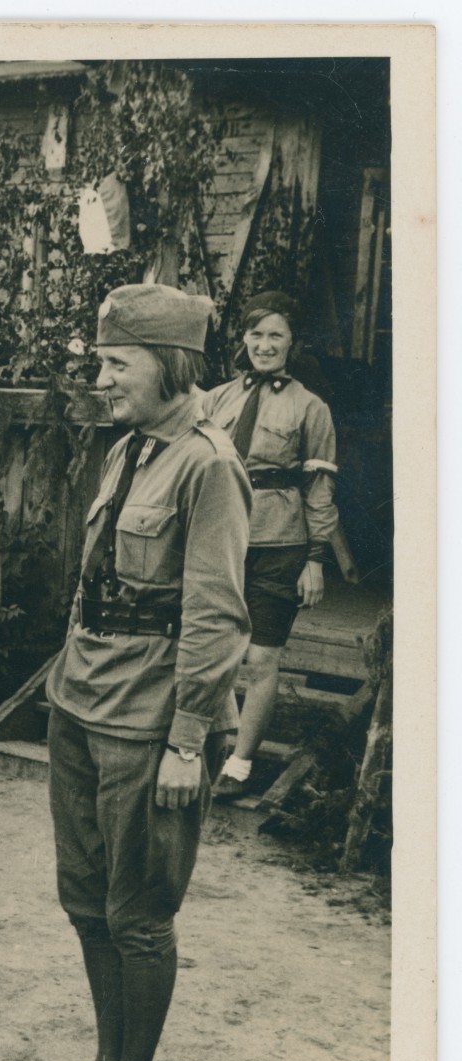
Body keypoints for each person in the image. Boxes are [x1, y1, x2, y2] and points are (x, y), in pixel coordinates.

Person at [23, 283, 252, 1061]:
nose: (103, 378)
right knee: (86, 900)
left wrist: (189, 739)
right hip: (82, 701)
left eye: (117, 363)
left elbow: (216, 613)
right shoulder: (127, 450)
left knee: (140, 912)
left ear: (168, 363)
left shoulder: (207, 465)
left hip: (151, 722)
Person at [201, 291, 340, 800]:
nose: (264, 345)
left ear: (292, 342)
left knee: (260, 659)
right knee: (208, 649)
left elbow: (319, 490)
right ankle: (199, 748)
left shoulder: (311, 407)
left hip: (278, 545)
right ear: (244, 338)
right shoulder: (215, 400)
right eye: (256, 334)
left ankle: (239, 766)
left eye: (275, 335)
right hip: (218, 537)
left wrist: (315, 558)